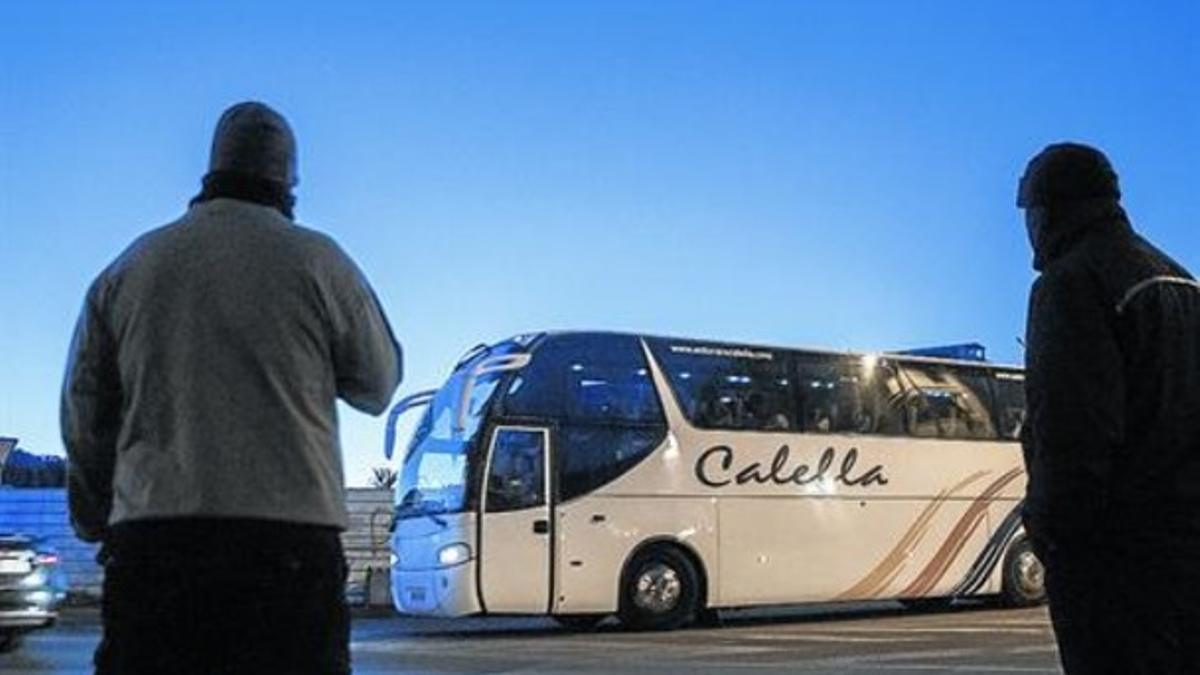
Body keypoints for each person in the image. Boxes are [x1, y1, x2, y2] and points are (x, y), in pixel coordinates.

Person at [61, 101, 402, 674]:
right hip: (288, 548)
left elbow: (85, 413)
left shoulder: (131, 268)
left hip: (157, 542)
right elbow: (377, 382)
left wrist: (98, 514)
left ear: (209, 172)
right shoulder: (320, 263)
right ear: (288, 182)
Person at [1017, 142, 1200, 674]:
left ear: (1048, 207)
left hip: (1117, 558)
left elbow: (1072, 432)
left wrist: (1052, 535)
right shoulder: (1180, 280)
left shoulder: (1071, 283)